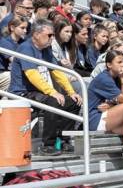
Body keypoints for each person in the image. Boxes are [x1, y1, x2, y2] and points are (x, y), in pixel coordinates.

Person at [9, 20, 82, 154]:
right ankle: (47, 144)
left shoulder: (46, 49)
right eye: (49, 35)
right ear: (36, 34)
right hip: (22, 93)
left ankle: (63, 141)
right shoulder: (26, 48)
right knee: (53, 101)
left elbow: (57, 72)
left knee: (74, 102)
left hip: (38, 93)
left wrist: (71, 92)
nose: (52, 38)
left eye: (53, 35)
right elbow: (32, 75)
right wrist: (52, 92)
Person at [87, 51, 123, 145]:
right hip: (95, 119)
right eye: (119, 62)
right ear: (109, 65)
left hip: (108, 116)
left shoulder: (120, 77)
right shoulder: (104, 78)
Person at [0, 15, 28, 90]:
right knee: (12, 76)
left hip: (10, 72)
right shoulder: (4, 42)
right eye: (22, 28)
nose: (25, 31)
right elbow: (15, 61)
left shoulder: (23, 42)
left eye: (26, 28)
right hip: (2, 73)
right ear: (12, 28)